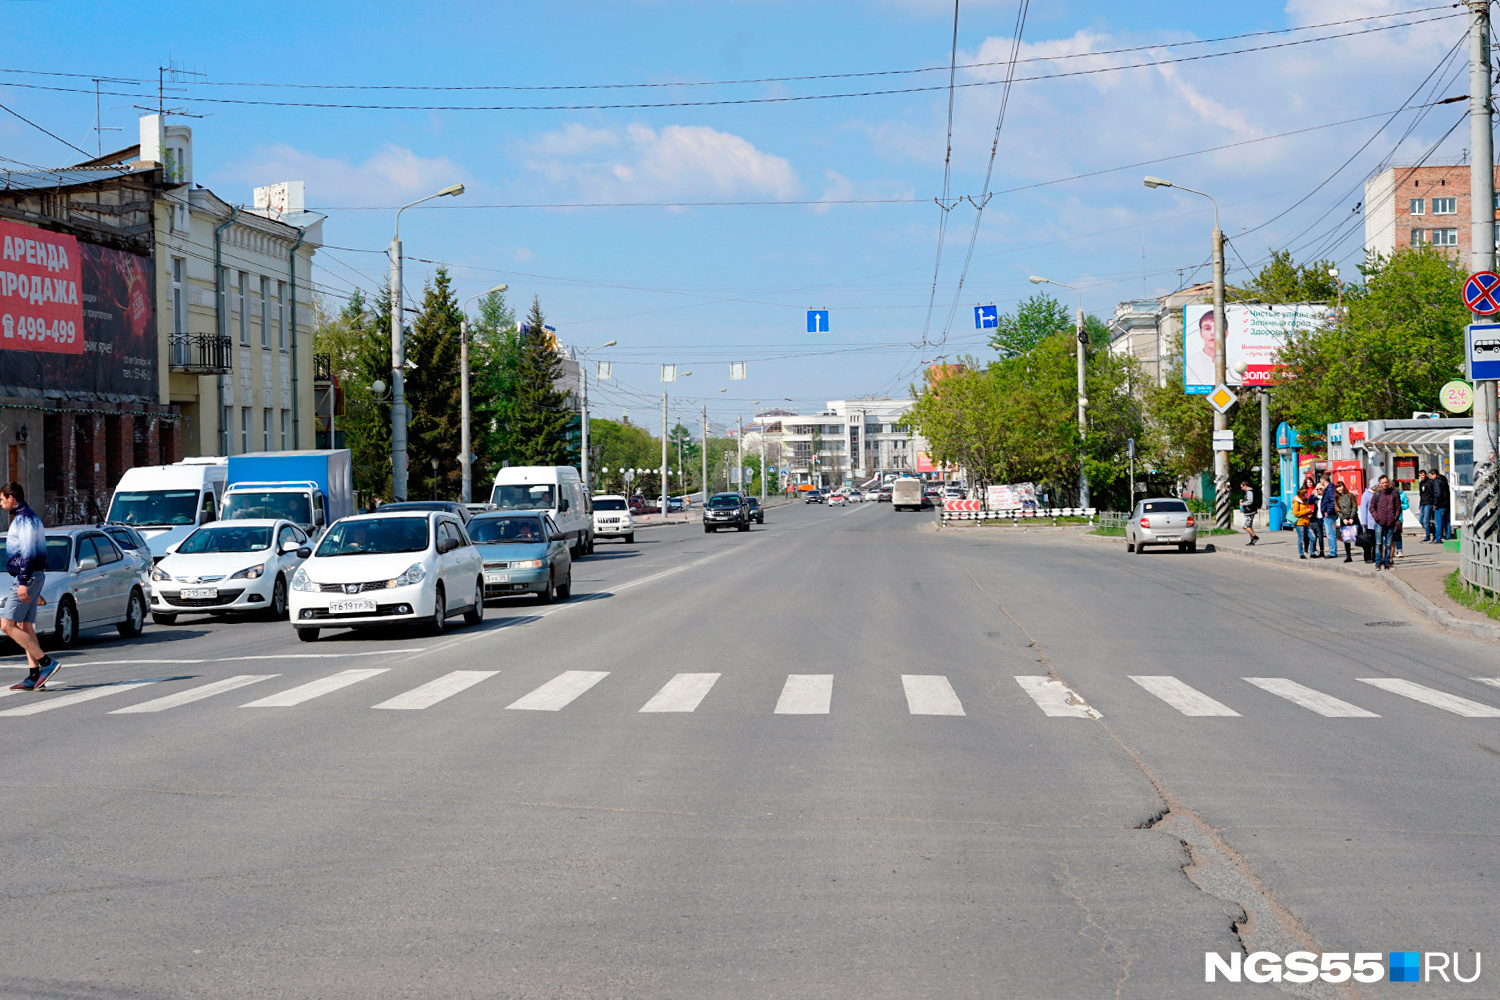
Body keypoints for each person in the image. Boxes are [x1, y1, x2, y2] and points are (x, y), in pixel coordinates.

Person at [1, 483, 57, 691]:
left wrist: (23, 581)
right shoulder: (29, 517)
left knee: (7, 625)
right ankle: (34, 676)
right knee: (25, 626)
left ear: (11, 499)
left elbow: (28, 553)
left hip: (28, 578)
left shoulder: (24, 519)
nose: (1, 503)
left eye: (2, 499)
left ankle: (46, 663)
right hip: (34, 576)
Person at [1371, 474, 1400, 570]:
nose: (1385, 484)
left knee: (1388, 545)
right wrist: (1377, 517)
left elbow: (1398, 507)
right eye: (1382, 483)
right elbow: (1372, 507)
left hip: (1391, 523)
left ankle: (1387, 563)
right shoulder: (1377, 494)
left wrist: (1395, 518)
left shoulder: (1394, 493)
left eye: (1386, 482)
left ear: (1389, 482)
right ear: (1379, 483)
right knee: (1378, 544)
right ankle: (1378, 563)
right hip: (1380, 522)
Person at [1335, 481, 1359, 562]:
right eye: (1337, 487)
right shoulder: (1336, 498)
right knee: (1346, 539)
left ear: (1343, 486)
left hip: (1353, 519)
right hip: (1344, 520)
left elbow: (1354, 506)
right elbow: (1338, 510)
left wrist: (1352, 517)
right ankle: (1348, 556)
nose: (1339, 489)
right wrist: (1343, 519)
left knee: (1359, 538)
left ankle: (1367, 555)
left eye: (1340, 486)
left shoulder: (1350, 495)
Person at [1291, 488, 1315, 559]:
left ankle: (1312, 553)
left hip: (1306, 522)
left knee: (1313, 537)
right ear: (1302, 494)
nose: (1306, 495)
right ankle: (1301, 554)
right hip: (1299, 523)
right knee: (1301, 539)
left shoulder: (1305, 501)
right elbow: (1296, 513)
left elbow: (1305, 510)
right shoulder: (1296, 502)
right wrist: (1306, 511)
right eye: (1305, 493)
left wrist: (1310, 512)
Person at [1358, 479, 1377, 564]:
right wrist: (1364, 522)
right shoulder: (1366, 495)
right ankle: (1367, 557)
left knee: (1376, 542)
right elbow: (1363, 509)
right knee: (1368, 542)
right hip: (1369, 523)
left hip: (1377, 522)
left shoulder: (1377, 493)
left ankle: (1375, 557)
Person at [1319, 476, 1339, 559]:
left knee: (1330, 533)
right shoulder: (1329, 488)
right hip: (1328, 514)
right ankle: (1332, 551)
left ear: (1323, 481)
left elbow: (1333, 501)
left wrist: (1328, 511)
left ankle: (1333, 552)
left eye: (1321, 481)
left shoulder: (1330, 489)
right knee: (1330, 532)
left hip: (1329, 515)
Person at [1430, 469, 1451, 542]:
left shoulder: (1436, 481)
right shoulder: (1444, 480)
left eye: (1431, 476)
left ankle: (1438, 538)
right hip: (1446, 504)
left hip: (1440, 505)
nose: (1431, 478)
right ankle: (1448, 536)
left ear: (1434, 474)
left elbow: (1437, 493)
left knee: (1438, 522)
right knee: (1447, 522)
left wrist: (1435, 503)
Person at [1239, 481, 1260, 545]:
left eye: (1242, 487)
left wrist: (1243, 504)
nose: (1241, 488)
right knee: (1249, 526)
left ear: (1245, 485)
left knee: (1245, 526)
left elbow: (1250, 501)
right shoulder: (1249, 492)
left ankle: (1255, 537)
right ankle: (1252, 540)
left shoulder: (1249, 492)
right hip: (1249, 510)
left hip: (1250, 511)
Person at [1417, 470, 1434, 543]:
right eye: (1420, 475)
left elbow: (1432, 492)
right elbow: (1421, 495)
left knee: (1426, 520)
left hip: (1428, 503)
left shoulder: (1430, 482)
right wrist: (1419, 507)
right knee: (1421, 520)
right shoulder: (1421, 483)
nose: (1421, 477)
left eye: (1423, 475)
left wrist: (1432, 502)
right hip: (1423, 503)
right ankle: (1433, 531)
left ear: (1425, 475)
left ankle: (1427, 536)